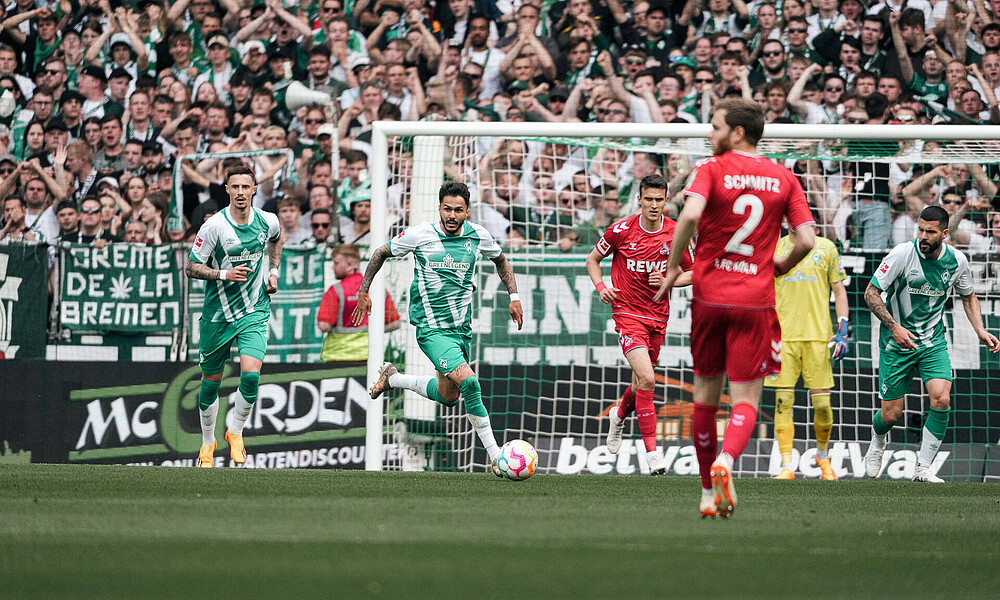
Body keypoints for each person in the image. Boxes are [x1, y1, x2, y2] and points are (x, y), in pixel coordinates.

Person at [654, 98, 816, 518]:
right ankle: (728, 460)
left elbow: (688, 216)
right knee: (745, 399)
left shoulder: (711, 169)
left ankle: (708, 492)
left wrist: (673, 268)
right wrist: (778, 265)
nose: (710, 134)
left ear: (737, 132)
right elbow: (808, 242)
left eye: (714, 127)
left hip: (709, 296)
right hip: (755, 300)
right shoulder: (784, 177)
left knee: (706, 399)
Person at [355, 181, 523, 475]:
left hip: (460, 330)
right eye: (447, 209)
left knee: (449, 397)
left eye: (458, 210)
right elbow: (381, 252)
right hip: (431, 329)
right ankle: (497, 457)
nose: (452, 215)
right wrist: (364, 291)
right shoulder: (421, 235)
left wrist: (514, 296)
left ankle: (392, 379)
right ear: (439, 208)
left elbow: (501, 260)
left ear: (467, 212)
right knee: (470, 383)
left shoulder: (478, 236)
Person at [862, 206, 999, 483]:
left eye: (930, 232)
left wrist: (980, 331)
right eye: (920, 230)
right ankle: (878, 440)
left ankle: (923, 468)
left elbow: (969, 296)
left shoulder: (957, 261)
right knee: (891, 415)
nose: (923, 236)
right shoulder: (902, 253)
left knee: (942, 398)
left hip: (933, 341)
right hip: (895, 342)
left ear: (945, 233)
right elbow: (870, 292)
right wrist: (894, 327)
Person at [586, 173, 693, 475]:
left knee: (640, 382)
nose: (655, 205)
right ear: (640, 200)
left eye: (660, 200)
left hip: (658, 317)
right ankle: (652, 454)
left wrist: (672, 279)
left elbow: (695, 272)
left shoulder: (675, 234)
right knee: (646, 378)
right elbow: (592, 260)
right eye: (649, 199)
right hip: (627, 314)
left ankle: (618, 415)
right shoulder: (620, 231)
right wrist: (601, 287)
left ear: (665, 201)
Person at [185, 166, 283, 469]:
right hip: (218, 314)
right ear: (227, 190)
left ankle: (235, 432)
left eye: (246, 186)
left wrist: (274, 270)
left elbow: (277, 240)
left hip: (254, 309)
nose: (240, 192)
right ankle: (207, 442)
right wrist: (223, 274)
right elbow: (191, 267)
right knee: (210, 383)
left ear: (254, 189)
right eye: (235, 187)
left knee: (251, 376)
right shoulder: (215, 226)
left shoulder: (268, 220)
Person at [767, 228, 850, 480]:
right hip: (783, 339)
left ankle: (822, 457)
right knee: (783, 403)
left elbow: (839, 290)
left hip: (818, 338)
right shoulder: (774, 247)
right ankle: (786, 465)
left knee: (823, 405)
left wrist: (843, 329)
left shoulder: (826, 248)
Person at [317, 243, 400, 362]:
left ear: (350, 264)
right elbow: (395, 323)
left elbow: (324, 325)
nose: (333, 267)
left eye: (336, 263)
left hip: (337, 357)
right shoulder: (378, 290)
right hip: (369, 357)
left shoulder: (335, 291)